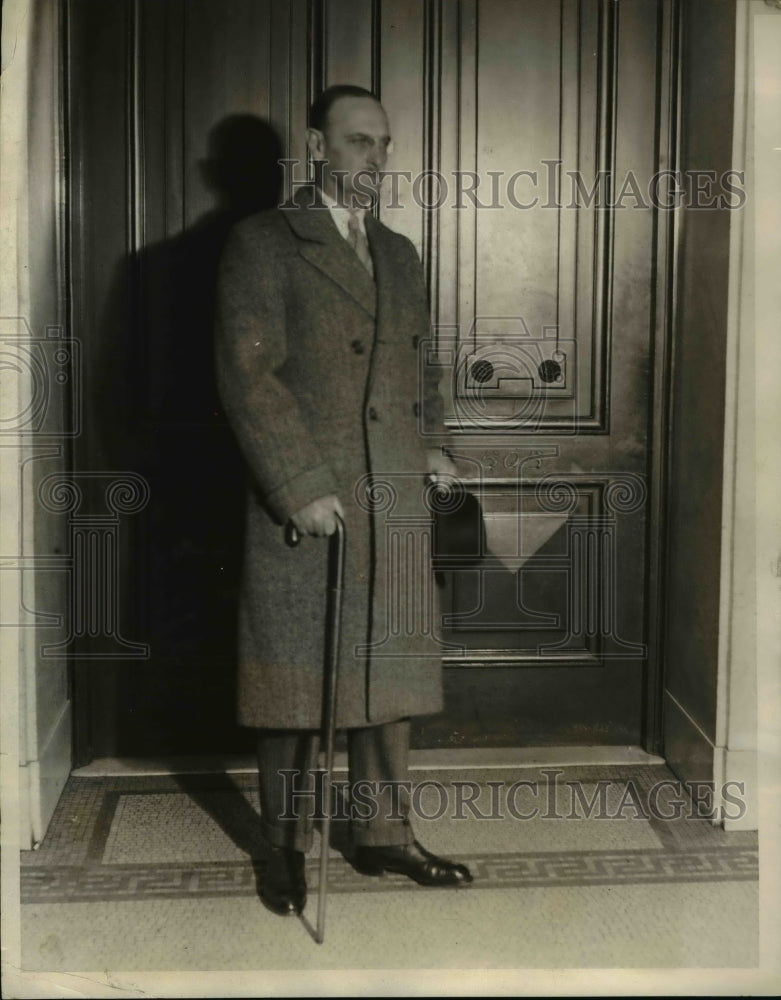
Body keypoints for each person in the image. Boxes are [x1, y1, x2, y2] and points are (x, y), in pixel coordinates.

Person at [215, 84, 472, 917]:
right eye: (358, 141)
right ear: (316, 144)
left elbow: (419, 367)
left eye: (384, 144)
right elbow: (250, 380)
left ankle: (383, 834)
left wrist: (432, 443)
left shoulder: (399, 253)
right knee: (294, 684)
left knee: (387, 678)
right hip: (310, 497)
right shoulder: (262, 243)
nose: (374, 159)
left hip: (391, 491)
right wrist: (298, 488)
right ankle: (283, 848)